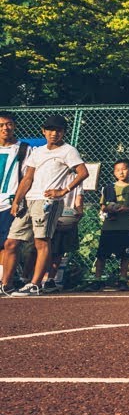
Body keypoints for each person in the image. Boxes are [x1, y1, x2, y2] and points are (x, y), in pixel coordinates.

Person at [2, 115, 89, 297]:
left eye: (58, 130)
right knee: (11, 243)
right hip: (28, 201)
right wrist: (17, 200)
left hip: (48, 203)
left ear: (63, 132)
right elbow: (28, 178)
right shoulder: (38, 151)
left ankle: (35, 284)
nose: (53, 133)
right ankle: (6, 285)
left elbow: (83, 172)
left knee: (41, 241)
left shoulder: (68, 151)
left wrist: (63, 191)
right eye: (50, 130)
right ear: (43, 131)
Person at [93, 159, 129, 290]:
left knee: (125, 255)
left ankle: (122, 280)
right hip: (108, 227)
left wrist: (126, 209)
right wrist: (109, 209)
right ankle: (97, 280)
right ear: (114, 172)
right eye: (117, 170)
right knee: (101, 255)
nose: (121, 172)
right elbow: (102, 207)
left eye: (124, 169)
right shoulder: (108, 188)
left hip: (125, 227)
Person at [0, 111, 33, 292]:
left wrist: (18, 200)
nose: (6, 128)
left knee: (8, 243)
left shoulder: (24, 148)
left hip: (9, 203)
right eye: (2, 125)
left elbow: (28, 176)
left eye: (9, 124)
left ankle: (6, 282)